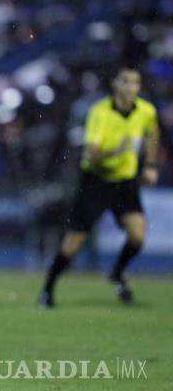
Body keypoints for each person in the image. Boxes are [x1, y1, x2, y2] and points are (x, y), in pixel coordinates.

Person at [39, 66, 159, 308]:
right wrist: (118, 150)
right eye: (125, 82)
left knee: (137, 236)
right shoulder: (100, 113)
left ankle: (117, 272)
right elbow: (91, 154)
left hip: (125, 182)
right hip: (96, 181)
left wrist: (150, 164)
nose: (130, 88)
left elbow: (152, 132)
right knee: (73, 244)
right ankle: (47, 289)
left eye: (135, 83)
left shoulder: (146, 111)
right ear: (115, 84)